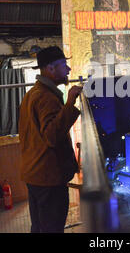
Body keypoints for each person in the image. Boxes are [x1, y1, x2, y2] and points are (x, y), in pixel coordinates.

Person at [19, 46, 82, 233]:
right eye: (64, 64)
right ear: (50, 69)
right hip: (48, 177)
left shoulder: (33, 94)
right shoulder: (46, 97)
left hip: (35, 173)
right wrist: (70, 103)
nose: (68, 69)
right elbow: (52, 136)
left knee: (39, 227)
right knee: (52, 228)